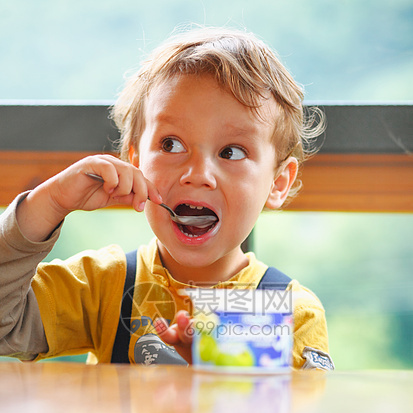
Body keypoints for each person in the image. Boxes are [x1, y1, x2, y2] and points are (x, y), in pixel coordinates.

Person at [0, 27, 333, 370]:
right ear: (136, 161)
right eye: (171, 144)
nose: (198, 174)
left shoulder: (295, 315)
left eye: (231, 151)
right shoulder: (104, 286)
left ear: (277, 183)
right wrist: (50, 203)